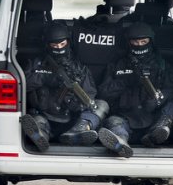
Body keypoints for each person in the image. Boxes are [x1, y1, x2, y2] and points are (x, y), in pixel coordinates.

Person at [97, 22, 173, 158]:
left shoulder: (162, 66)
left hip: (155, 118)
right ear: (128, 42)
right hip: (125, 118)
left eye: (143, 41)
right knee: (114, 124)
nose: (139, 45)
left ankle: (156, 134)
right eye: (135, 41)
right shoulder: (117, 64)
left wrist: (159, 98)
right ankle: (121, 143)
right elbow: (103, 92)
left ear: (150, 41)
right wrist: (126, 81)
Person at [21, 23, 109, 151]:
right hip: (45, 116)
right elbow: (22, 84)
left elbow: (90, 93)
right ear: (47, 45)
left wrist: (77, 102)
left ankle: (78, 133)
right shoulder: (36, 64)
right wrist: (45, 78)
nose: (59, 48)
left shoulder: (78, 67)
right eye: (54, 45)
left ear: (68, 42)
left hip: (72, 120)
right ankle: (39, 136)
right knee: (38, 123)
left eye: (62, 44)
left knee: (102, 105)